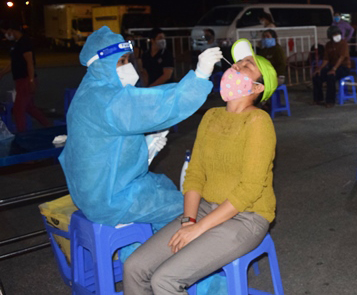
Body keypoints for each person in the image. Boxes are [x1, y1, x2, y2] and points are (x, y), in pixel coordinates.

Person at [123, 39, 277, 294]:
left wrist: (198, 229)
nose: (237, 66)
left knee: (165, 280)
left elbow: (249, 189)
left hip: (247, 217)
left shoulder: (258, 122)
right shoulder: (211, 116)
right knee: (134, 267)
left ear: (258, 87)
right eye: (237, 61)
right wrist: (188, 221)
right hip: (206, 208)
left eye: (247, 65)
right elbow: (195, 174)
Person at [59, 26, 223, 226]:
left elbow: (106, 145)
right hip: (112, 200)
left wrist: (143, 148)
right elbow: (161, 104)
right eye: (120, 62)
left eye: (128, 60)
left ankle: (134, 250)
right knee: (189, 209)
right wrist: (199, 77)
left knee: (163, 186)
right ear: (101, 64)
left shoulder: (89, 91)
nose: (127, 66)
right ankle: (162, 254)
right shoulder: (109, 100)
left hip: (91, 192)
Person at [0, 22, 51, 132]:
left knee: (18, 109)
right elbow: (13, 63)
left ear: (13, 30)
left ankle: (22, 135)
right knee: (29, 107)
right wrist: (2, 73)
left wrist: (31, 80)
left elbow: (30, 62)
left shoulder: (24, 42)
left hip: (25, 80)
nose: (6, 35)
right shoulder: (16, 44)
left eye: (7, 32)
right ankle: (48, 126)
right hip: (20, 80)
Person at [313, 26, 350, 107]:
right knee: (316, 76)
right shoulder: (328, 45)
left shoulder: (343, 43)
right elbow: (326, 59)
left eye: (338, 34)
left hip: (343, 67)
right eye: (334, 35)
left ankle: (330, 101)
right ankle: (318, 99)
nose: (337, 36)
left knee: (331, 76)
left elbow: (342, 57)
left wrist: (334, 69)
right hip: (332, 66)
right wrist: (320, 68)